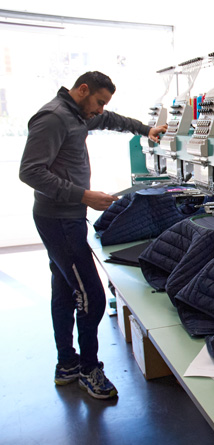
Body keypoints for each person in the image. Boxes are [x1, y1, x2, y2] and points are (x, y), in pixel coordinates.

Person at [19, 71, 167, 400]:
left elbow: (110, 119)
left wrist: (146, 129)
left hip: (64, 216)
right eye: (98, 101)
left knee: (64, 290)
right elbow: (29, 171)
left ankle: (67, 364)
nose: (100, 109)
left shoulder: (77, 115)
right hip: (59, 219)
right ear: (82, 90)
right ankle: (89, 369)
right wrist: (83, 196)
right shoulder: (54, 117)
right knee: (93, 297)